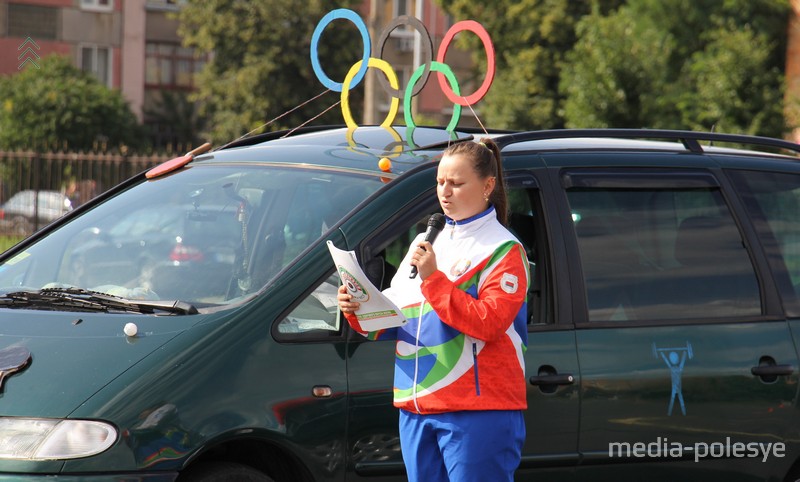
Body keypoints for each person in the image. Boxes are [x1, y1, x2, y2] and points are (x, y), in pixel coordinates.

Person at [337, 138, 529, 482]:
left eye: (456, 183)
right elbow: (397, 319)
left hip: (477, 410)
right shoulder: (426, 239)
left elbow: (489, 323)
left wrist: (434, 280)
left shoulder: (503, 249)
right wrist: (358, 307)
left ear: (488, 185)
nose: (445, 191)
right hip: (417, 406)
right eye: (440, 182)